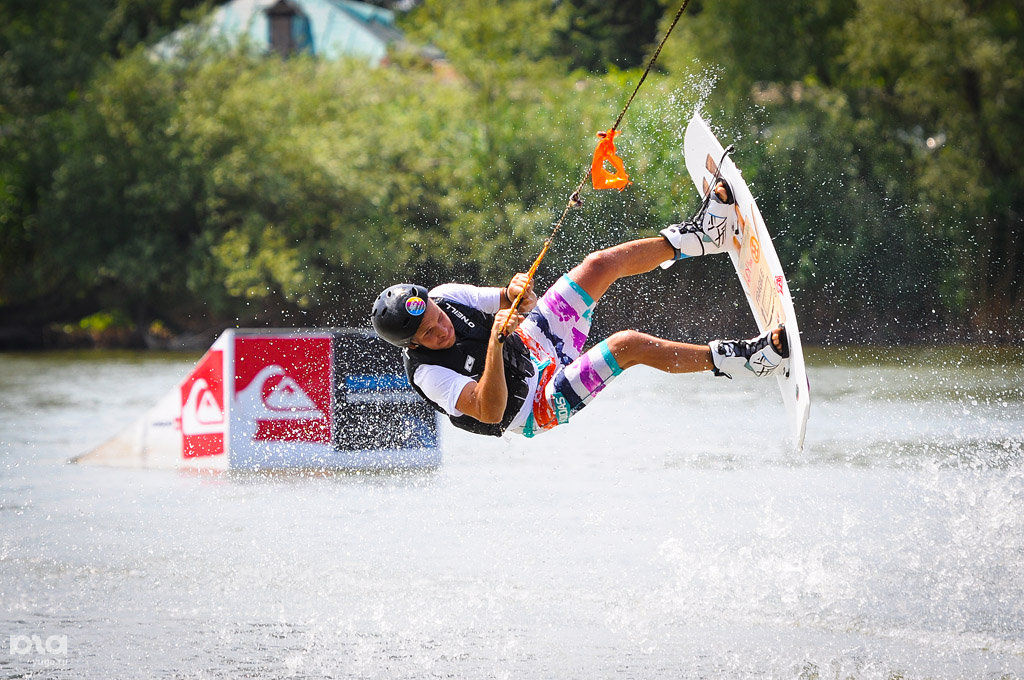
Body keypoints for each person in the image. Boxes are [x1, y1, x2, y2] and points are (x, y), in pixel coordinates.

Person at [370, 181, 789, 438]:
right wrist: (496, 345)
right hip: (538, 404)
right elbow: (490, 410)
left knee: (599, 265)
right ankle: (748, 361)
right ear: (410, 345)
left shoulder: (446, 295)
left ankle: (703, 235)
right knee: (627, 345)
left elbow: (517, 300)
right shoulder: (427, 374)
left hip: (532, 342)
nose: (439, 330)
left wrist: (518, 291)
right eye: (426, 334)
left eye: (435, 318)